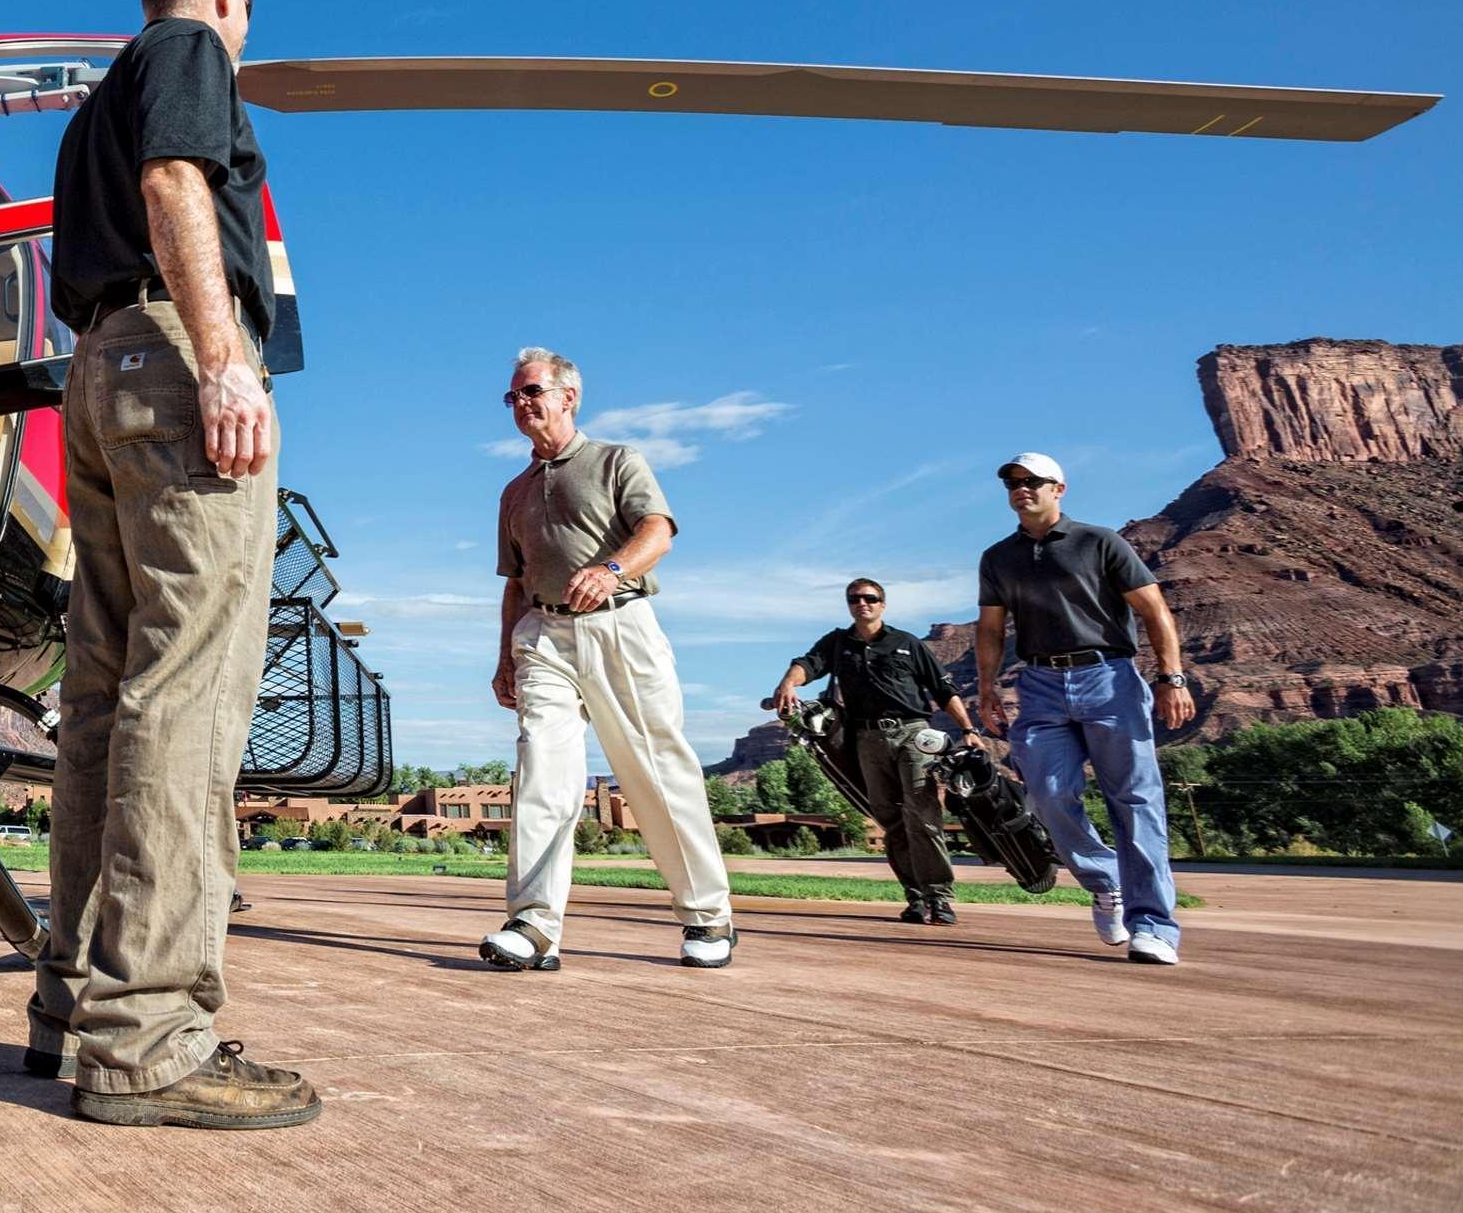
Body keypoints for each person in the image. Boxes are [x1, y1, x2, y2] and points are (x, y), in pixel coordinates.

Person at [26, 0, 316, 1129]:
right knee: (186, 688)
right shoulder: (190, 47)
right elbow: (176, 183)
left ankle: (71, 1007)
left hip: (96, 371)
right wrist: (224, 360)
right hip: (168, 363)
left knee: (103, 692)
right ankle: (148, 1036)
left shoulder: (93, 105)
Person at [478, 348, 736, 973]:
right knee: (542, 770)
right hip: (543, 634)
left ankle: (708, 917)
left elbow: (658, 530)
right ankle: (535, 924)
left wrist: (612, 568)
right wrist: (505, 656)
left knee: (653, 770)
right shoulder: (513, 491)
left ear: (569, 396)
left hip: (620, 626)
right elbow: (514, 581)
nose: (522, 404)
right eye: (512, 396)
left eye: (532, 391)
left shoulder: (617, 460)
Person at [972, 452, 1196, 965]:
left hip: (1109, 678)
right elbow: (989, 628)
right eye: (1011, 482)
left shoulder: (1100, 542)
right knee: (1048, 797)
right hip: (1040, 682)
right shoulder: (998, 557)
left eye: (1032, 481)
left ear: (1060, 488)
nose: (1020, 489)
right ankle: (1104, 878)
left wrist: (1171, 678)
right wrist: (986, 688)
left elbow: (1154, 610)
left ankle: (1154, 926)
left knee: (1135, 802)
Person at [774, 578, 982, 925]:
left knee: (923, 815)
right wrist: (787, 683)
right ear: (849, 605)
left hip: (914, 735)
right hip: (867, 740)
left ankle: (940, 898)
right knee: (891, 820)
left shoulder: (907, 643)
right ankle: (915, 898)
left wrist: (968, 730)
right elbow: (807, 664)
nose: (862, 604)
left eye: (870, 598)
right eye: (855, 599)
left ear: (882, 604)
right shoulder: (838, 643)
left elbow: (944, 689)